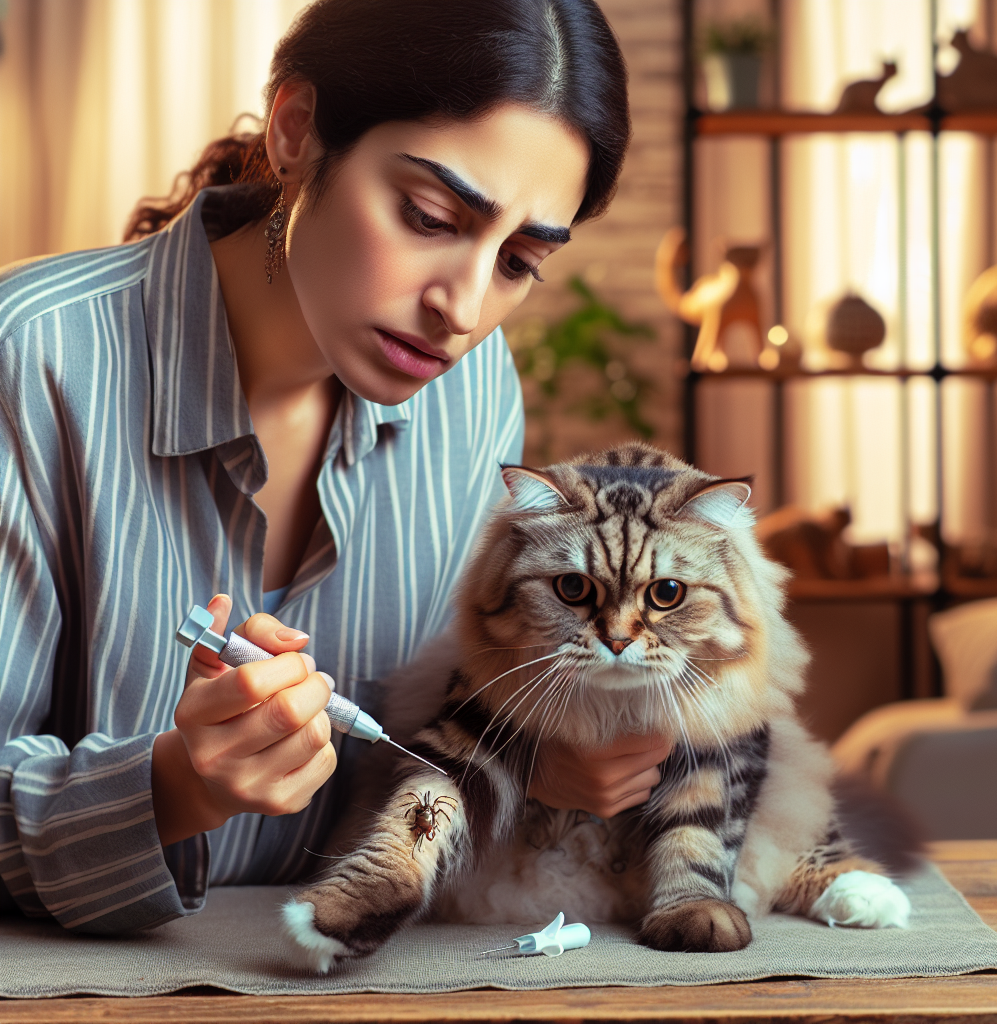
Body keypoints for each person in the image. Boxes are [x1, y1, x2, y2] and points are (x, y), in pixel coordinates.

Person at [0, 0, 672, 934]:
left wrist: (533, 763)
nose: (464, 309)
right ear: (296, 131)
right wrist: (172, 789)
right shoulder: (30, 359)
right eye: (430, 215)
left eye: (520, 259)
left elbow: (420, 742)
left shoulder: (472, 394)